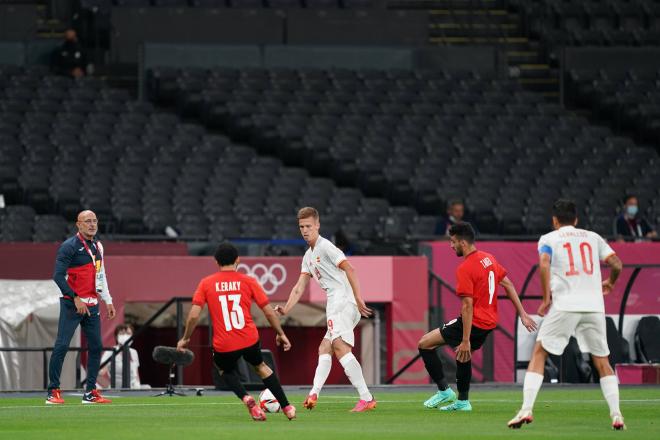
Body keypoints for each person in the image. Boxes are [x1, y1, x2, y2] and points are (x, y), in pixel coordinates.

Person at [508, 199, 626, 430]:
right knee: (602, 360)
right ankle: (617, 414)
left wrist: (545, 299)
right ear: (576, 220)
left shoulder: (549, 239)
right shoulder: (593, 237)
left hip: (566, 305)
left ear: (554, 220)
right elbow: (617, 264)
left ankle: (526, 409)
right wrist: (610, 283)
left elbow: (544, 264)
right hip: (594, 306)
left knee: (539, 352)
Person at [418, 222, 537, 411]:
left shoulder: (466, 268)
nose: (451, 246)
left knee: (425, 343)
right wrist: (522, 313)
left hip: (475, 321)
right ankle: (463, 401)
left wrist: (465, 339)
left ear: (463, 243)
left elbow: (467, 306)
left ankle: (444, 392)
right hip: (488, 323)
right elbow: (508, 284)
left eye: (453, 242)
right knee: (463, 357)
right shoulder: (488, 259)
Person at [177, 243, 296, 422]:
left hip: (224, 344)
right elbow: (268, 311)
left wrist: (185, 338)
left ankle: (246, 398)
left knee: (224, 369)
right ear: (238, 260)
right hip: (249, 338)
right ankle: (287, 407)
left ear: (216, 261)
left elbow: (194, 315)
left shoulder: (206, 283)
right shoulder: (249, 281)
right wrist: (280, 333)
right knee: (262, 367)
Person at [275, 207, 376, 412]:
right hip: (337, 302)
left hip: (342, 301)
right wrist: (286, 309)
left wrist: (357, 296)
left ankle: (366, 398)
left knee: (339, 346)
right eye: (301, 227)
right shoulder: (308, 256)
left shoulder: (326, 247)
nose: (305, 230)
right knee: (325, 347)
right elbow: (299, 287)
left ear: (318, 225)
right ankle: (314, 393)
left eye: (309, 226)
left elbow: (350, 268)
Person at [46, 210, 115, 405]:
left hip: (92, 305)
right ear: (78, 224)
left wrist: (107, 299)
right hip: (72, 304)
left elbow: (101, 275)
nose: (92, 224)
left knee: (96, 347)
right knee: (62, 345)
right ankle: (53, 391)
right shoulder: (68, 247)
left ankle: (90, 392)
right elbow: (58, 276)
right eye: (87, 221)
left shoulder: (98, 246)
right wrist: (75, 297)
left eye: (94, 221)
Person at [99, 324, 144, 389]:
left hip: (134, 389)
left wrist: (138, 386)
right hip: (118, 390)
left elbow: (136, 374)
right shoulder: (110, 352)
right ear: (117, 336)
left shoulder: (134, 352)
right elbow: (99, 374)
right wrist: (110, 387)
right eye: (122, 334)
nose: (125, 336)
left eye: (128, 333)